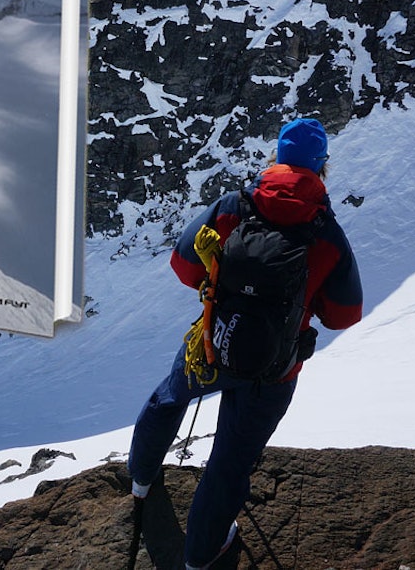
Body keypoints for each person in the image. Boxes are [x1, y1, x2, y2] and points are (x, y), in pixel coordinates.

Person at [126, 117, 363, 570]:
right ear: (322, 167)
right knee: (230, 461)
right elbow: (344, 315)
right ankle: (201, 555)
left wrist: (223, 290)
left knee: (168, 398)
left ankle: (140, 481)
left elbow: (183, 262)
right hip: (274, 370)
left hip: (214, 341)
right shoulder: (326, 233)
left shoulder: (236, 206)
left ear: (277, 156)